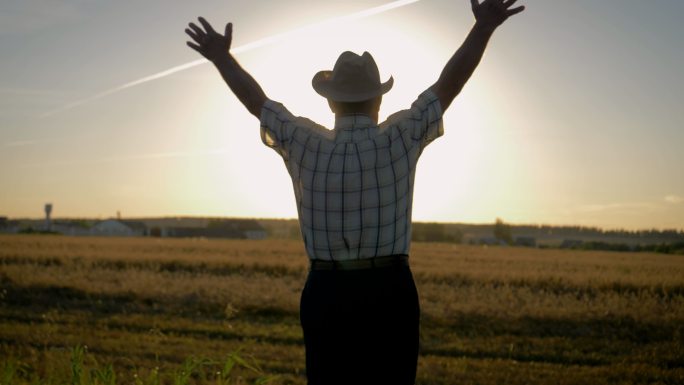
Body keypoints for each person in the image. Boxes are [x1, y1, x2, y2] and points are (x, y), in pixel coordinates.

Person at [185, 1, 524, 384]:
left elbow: (257, 103)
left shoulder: (304, 142)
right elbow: (449, 86)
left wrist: (221, 57)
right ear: (379, 99)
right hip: (390, 292)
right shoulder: (400, 136)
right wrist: (483, 29)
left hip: (325, 292)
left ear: (330, 101)